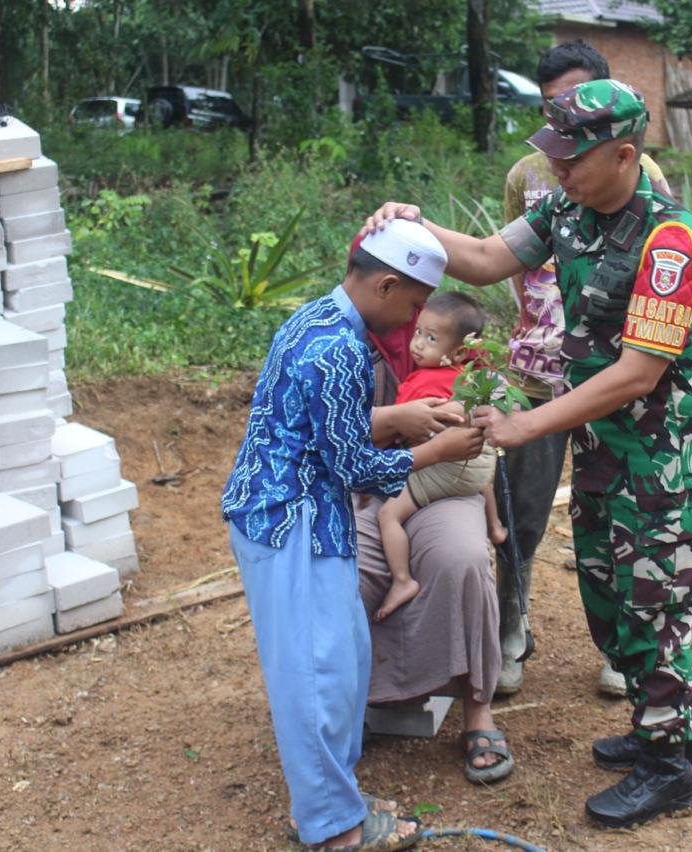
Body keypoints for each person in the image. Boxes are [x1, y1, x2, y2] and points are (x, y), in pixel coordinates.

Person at [361, 78, 692, 829]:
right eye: (552, 155)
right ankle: (670, 730)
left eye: (573, 158)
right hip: (601, 447)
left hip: (657, 457)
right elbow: (489, 258)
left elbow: (639, 372)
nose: (557, 171)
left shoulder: (668, 242)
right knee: (607, 588)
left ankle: (669, 768)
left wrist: (527, 426)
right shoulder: (567, 209)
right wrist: (416, 229)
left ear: (624, 156)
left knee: (653, 600)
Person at [222, 219, 484, 849]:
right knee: (316, 676)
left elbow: (327, 425)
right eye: (416, 305)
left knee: (342, 665)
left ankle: (336, 799)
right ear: (387, 284)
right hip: (289, 519)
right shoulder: (337, 348)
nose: (415, 319)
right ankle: (332, 828)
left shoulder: (319, 318)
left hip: (307, 514)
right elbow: (355, 465)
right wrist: (440, 447)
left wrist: (405, 418)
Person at [495, 40, 673, 701]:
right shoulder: (528, 179)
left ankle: (630, 651)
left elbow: (647, 328)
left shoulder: (650, 191)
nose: (560, 132)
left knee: (624, 521)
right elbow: (503, 259)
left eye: (573, 110)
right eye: (550, 112)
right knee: (520, 517)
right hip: (538, 370)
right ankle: (510, 633)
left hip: (613, 384)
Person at [374, 291, 506, 622]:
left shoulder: (423, 385)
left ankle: (402, 580)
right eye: (418, 332)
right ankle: (496, 525)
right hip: (476, 473)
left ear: (459, 350)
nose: (418, 344)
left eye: (430, 338)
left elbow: (402, 431)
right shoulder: (472, 375)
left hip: (444, 469)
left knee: (387, 516)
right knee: (481, 461)